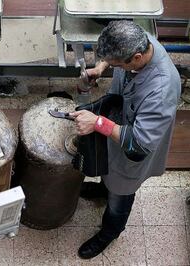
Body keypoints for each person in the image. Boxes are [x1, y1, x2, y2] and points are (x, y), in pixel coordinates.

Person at [69, 20, 181, 259]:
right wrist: (100, 68)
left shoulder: (161, 89)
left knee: (120, 195)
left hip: (134, 149)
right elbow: (113, 58)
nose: (114, 67)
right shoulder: (139, 39)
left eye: (116, 64)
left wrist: (97, 122)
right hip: (120, 122)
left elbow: (139, 143)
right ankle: (102, 189)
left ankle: (110, 232)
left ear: (137, 57)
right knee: (109, 169)